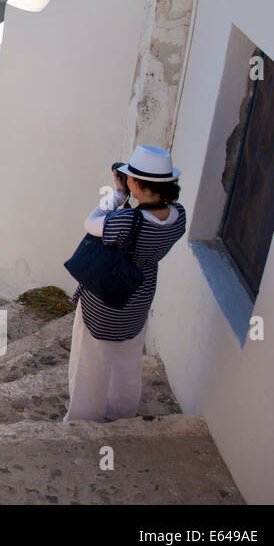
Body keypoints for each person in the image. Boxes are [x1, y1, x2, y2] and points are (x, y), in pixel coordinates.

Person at [65, 144, 187, 422]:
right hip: (138, 297)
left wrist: (118, 195)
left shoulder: (126, 220)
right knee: (128, 360)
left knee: (91, 362)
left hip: (104, 301)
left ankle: (83, 418)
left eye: (130, 177)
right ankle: (121, 412)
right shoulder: (178, 217)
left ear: (137, 184)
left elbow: (92, 222)